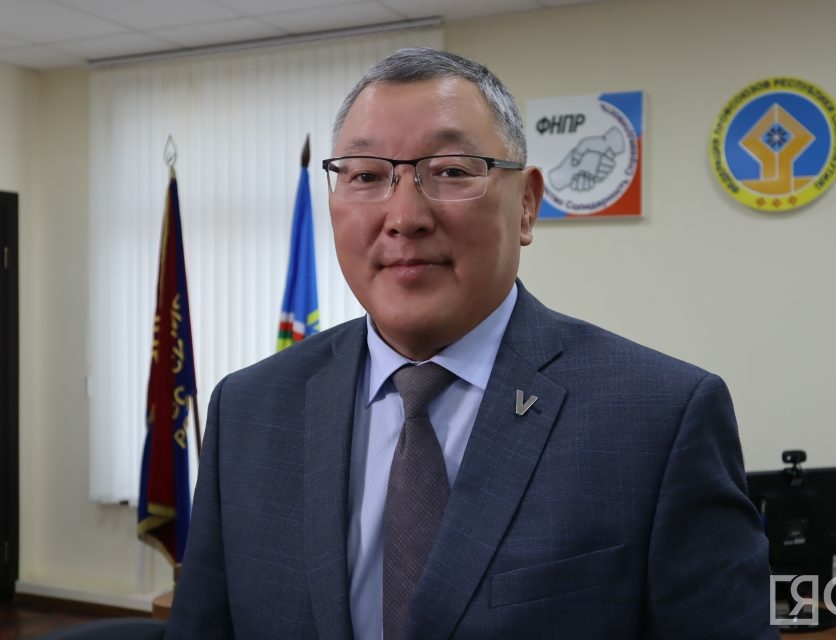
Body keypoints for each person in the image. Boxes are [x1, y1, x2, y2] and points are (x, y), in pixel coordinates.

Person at [165, 47, 778, 639]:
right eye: (367, 175)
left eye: (451, 172)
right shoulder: (250, 410)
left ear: (527, 205)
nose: (404, 217)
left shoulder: (660, 419)